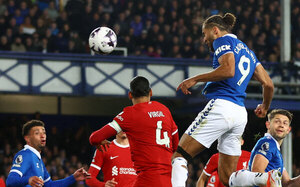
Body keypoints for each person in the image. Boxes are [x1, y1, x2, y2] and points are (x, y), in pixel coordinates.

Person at [172, 13, 275, 187]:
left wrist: (195, 78)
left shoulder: (223, 40)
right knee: (227, 178)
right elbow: (269, 84)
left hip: (222, 106)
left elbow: (228, 70)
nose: (205, 40)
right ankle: (263, 178)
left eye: (205, 34)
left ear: (215, 30)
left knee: (180, 156)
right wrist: (265, 106)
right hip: (240, 113)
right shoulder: (249, 53)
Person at [89, 76, 179, 187]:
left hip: (147, 179)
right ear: (151, 92)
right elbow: (176, 144)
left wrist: (98, 141)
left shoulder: (129, 114)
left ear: (130, 95)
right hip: (168, 180)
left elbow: (94, 138)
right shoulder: (164, 109)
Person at [6, 120, 90, 187]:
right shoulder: (25, 155)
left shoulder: (38, 159)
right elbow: (10, 181)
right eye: (37, 133)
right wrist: (28, 180)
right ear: (27, 139)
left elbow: (49, 184)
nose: (42, 135)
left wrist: (73, 177)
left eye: (44, 132)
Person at [230, 109, 300, 186]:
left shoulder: (276, 150)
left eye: (285, 123)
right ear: (268, 125)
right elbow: (257, 173)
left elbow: (287, 184)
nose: (281, 125)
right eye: (277, 121)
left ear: (288, 130)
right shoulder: (268, 143)